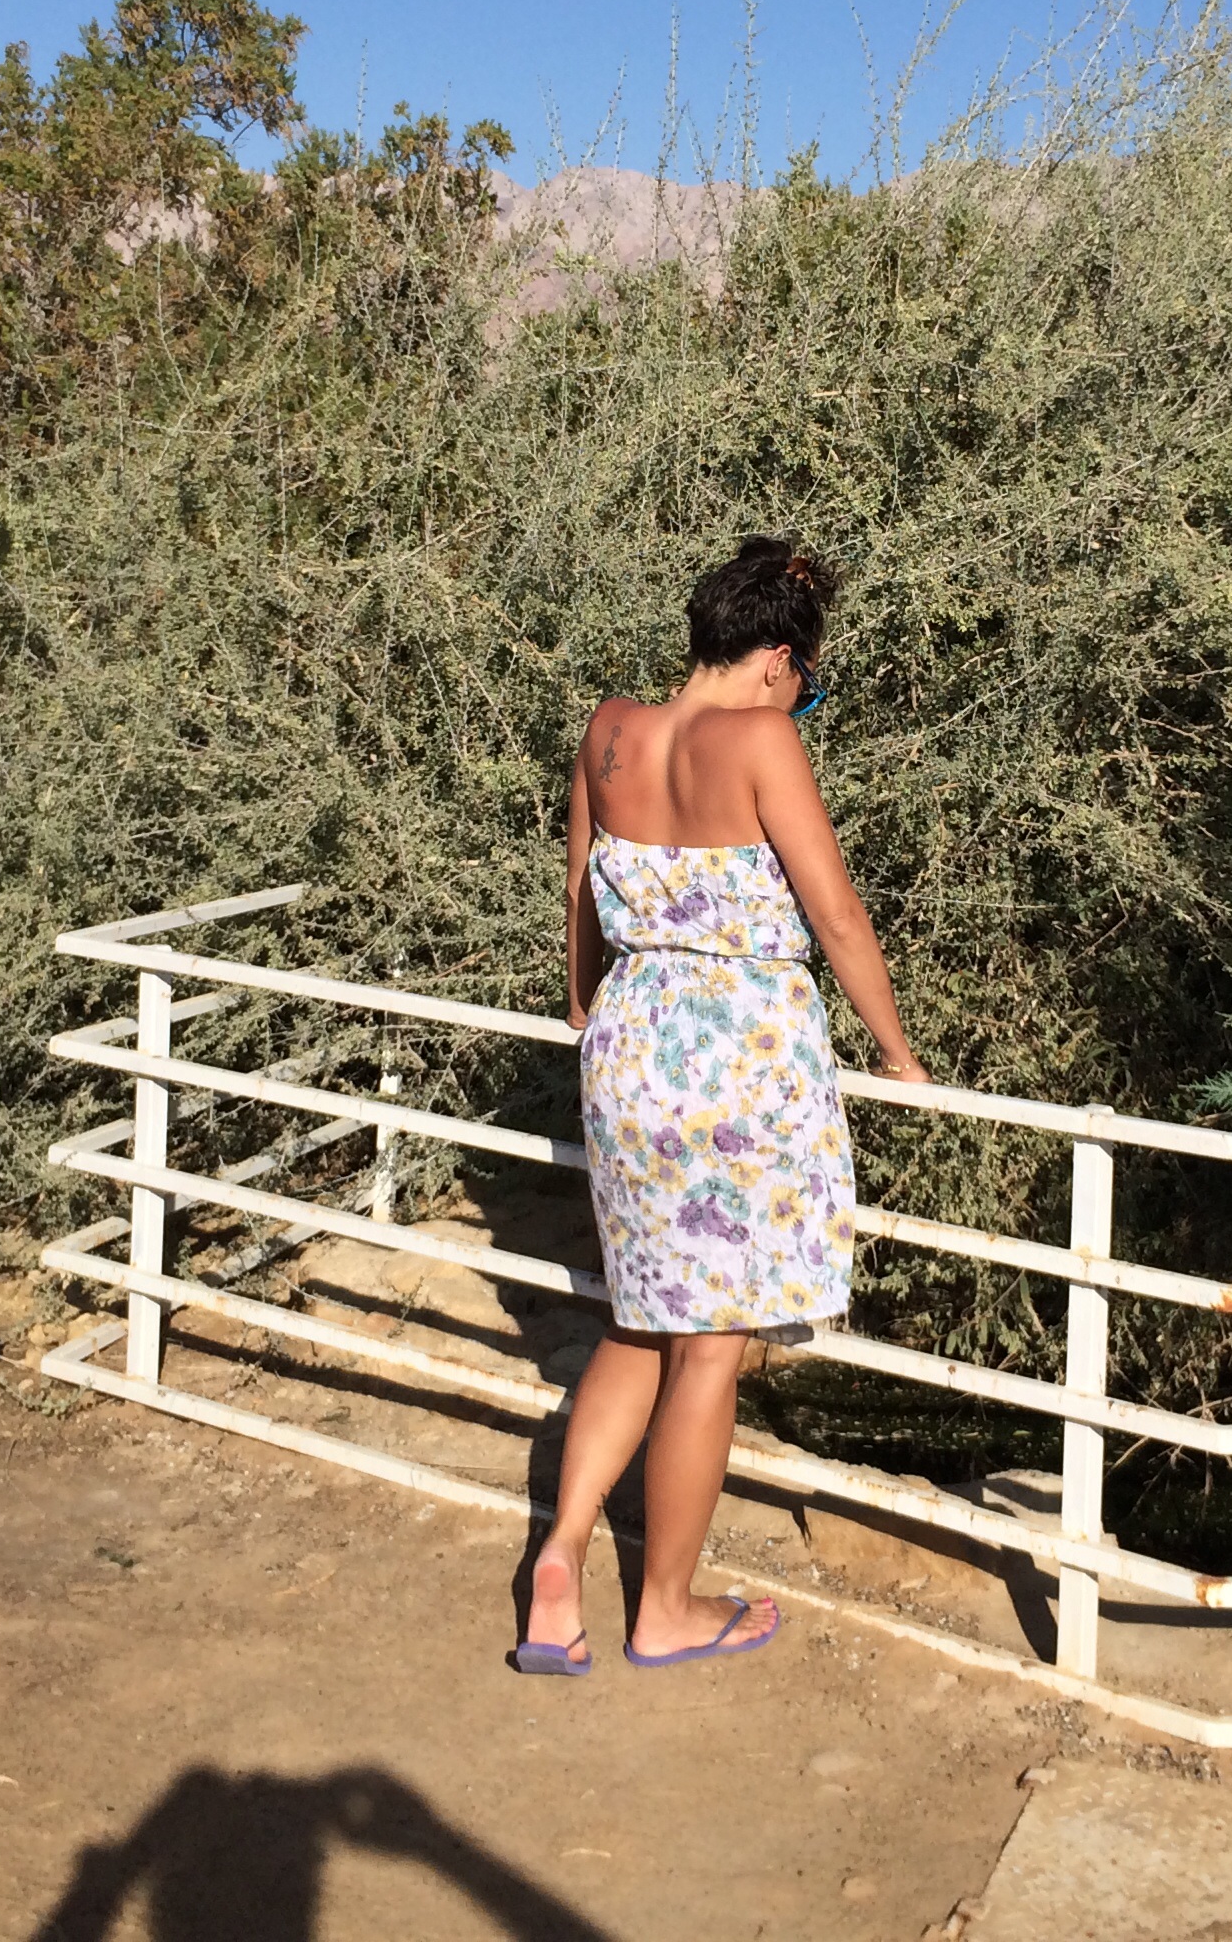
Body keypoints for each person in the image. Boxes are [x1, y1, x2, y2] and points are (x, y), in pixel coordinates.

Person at [515, 538, 929, 1674]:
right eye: (808, 682)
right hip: (736, 1066)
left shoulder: (611, 729)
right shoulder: (760, 740)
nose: (802, 700)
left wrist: (583, 1005)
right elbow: (835, 916)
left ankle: (561, 1559)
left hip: (628, 1049)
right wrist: (898, 1054)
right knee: (709, 1350)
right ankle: (665, 1609)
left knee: (637, 1320)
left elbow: (580, 893)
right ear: (778, 659)